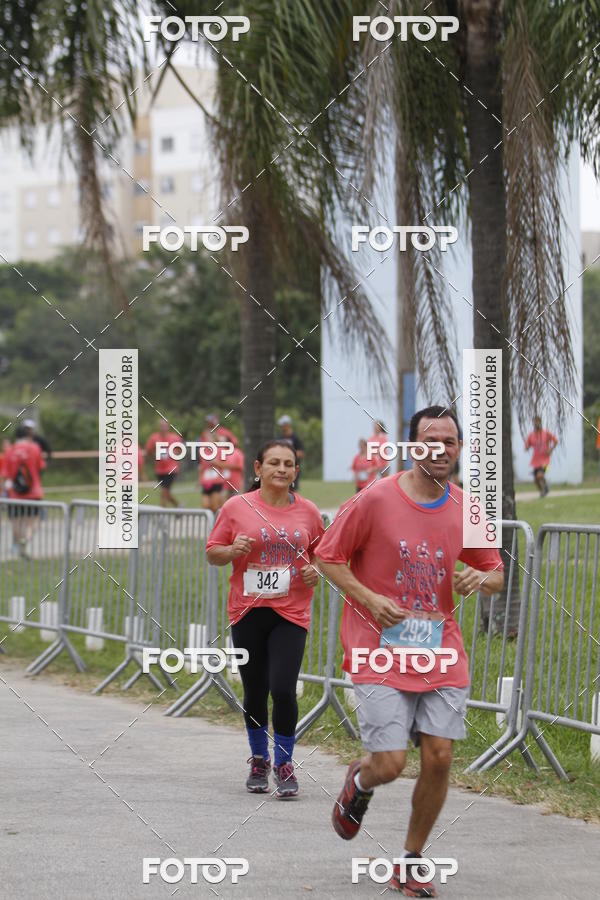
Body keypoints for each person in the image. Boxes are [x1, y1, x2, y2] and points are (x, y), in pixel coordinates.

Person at [316, 405, 504, 897]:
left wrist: (479, 577)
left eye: (449, 441)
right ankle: (361, 779)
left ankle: (411, 859)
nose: (440, 450)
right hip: (377, 649)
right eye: (429, 440)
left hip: (440, 651)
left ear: (459, 448)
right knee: (393, 764)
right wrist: (370, 599)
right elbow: (327, 556)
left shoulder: (468, 507)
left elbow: (496, 572)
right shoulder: (375, 499)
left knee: (439, 757)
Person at [206, 440, 324, 798]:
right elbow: (213, 553)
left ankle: (284, 763)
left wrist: (315, 570)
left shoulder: (308, 511)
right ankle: (259, 758)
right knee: (255, 689)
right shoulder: (235, 507)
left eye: (289, 464)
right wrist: (232, 550)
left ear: (296, 472)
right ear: (258, 469)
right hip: (248, 610)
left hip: (291, 611)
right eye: (274, 463)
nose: (282, 469)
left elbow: (322, 553)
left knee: (284, 688)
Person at [3, 424, 46, 557]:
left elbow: (5, 474)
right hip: (33, 492)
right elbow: (41, 466)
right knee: (34, 520)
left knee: (17, 521)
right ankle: (25, 540)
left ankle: (16, 546)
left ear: (16, 437)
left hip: (14, 494)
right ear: (28, 436)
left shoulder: (10, 450)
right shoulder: (35, 448)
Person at [145, 418, 180, 508]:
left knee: (164, 492)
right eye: (161, 426)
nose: (163, 428)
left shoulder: (174, 437)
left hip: (171, 469)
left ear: (168, 426)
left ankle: (162, 515)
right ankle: (178, 505)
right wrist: (156, 454)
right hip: (159, 470)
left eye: (164, 426)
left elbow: (180, 451)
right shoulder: (154, 438)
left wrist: (171, 453)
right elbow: (148, 451)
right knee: (166, 493)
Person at [524, 416, 558, 497]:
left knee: (540, 475)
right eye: (534, 422)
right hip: (536, 461)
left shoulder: (546, 433)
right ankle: (542, 491)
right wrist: (527, 447)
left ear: (540, 422)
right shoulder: (531, 435)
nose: (536, 424)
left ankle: (546, 486)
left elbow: (556, 441)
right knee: (536, 480)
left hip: (545, 460)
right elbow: (526, 446)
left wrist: (551, 449)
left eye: (537, 422)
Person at [276, 415, 305, 491]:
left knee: (293, 490)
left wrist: (288, 454)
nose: (281, 427)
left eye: (282, 425)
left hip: (292, 468)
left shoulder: (295, 438)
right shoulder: (280, 438)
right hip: (281, 468)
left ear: (287, 425)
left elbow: (301, 453)